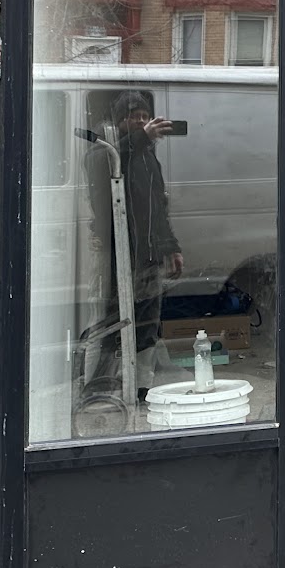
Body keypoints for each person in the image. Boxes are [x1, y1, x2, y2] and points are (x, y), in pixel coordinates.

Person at [82, 90, 183, 409]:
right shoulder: (105, 149)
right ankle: (96, 389)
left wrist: (171, 247)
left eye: (145, 117)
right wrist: (141, 137)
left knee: (147, 325)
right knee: (111, 322)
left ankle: (141, 388)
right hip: (118, 257)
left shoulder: (147, 156)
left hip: (148, 256)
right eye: (133, 117)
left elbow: (157, 207)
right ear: (119, 121)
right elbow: (105, 163)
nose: (141, 122)